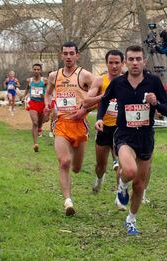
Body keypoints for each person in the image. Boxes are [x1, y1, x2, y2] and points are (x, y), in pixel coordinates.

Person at [94, 45, 167, 235]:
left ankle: (131, 220)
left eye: (138, 59)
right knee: (129, 170)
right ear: (126, 62)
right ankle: (121, 186)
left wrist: (156, 103)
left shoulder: (153, 81)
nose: (135, 62)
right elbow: (104, 100)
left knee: (139, 185)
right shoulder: (118, 82)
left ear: (144, 61)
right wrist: (100, 118)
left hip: (145, 137)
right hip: (124, 134)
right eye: (131, 59)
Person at [44, 41, 95, 216]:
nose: (68, 57)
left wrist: (85, 110)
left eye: (71, 53)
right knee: (64, 162)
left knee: (76, 168)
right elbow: (48, 93)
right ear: (61, 55)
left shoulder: (85, 76)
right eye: (65, 53)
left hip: (80, 126)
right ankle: (68, 201)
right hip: (61, 124)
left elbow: (100, 95)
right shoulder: (54, 75)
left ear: (77, 55)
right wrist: (49, 105)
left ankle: (75, 162)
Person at [84, 50, 124, 204]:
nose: (114, 66)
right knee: (101, 165)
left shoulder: (127, 82)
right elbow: (87, 102)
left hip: (121, 128)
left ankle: (119, 196)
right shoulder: (100, 81)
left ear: (122, 63)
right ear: (106, 63)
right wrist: (106, 95)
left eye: (117, 63)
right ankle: (99, 179)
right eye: (111, 63)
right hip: (103, 127)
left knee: (121, 163)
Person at [24, 64, 48, 152]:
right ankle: (35, 144)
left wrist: (44, 96)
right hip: (33, 103)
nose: (36, 71)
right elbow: (27, 89)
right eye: (35, 69)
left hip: (42, 103)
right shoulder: (29, 80)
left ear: (41, 70)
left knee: (40, 122)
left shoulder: (44, 80)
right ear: (32, 70)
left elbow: (48, 91)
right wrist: (24, 97)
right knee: (35, 122)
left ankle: (39, 128)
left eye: (38, 69)